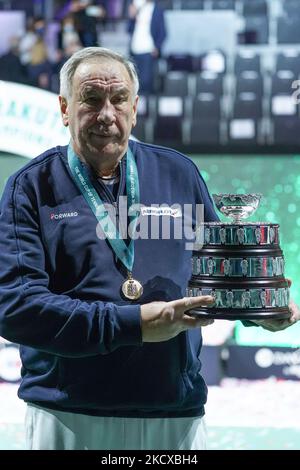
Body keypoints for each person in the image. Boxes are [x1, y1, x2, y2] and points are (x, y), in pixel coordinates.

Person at [0, 47, 298, 451]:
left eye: (119, 99)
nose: (107, 113)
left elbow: (222, 274)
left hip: (173, 414)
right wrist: (132, 324)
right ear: (65, 108)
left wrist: (258, 310)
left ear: (135, 108)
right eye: (91, 99)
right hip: (68, 414)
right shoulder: (30, 188)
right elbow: (15, 308)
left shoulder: (179, 173)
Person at [128, 0, 166, 94]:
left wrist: (157, 47)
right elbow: (129, 29)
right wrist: (132, 17)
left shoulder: (157, 10)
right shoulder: (136, 8)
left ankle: (147, 107)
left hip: (149, 51)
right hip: (135, 50)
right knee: (134, 82)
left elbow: (163, 32)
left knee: (146, 82)